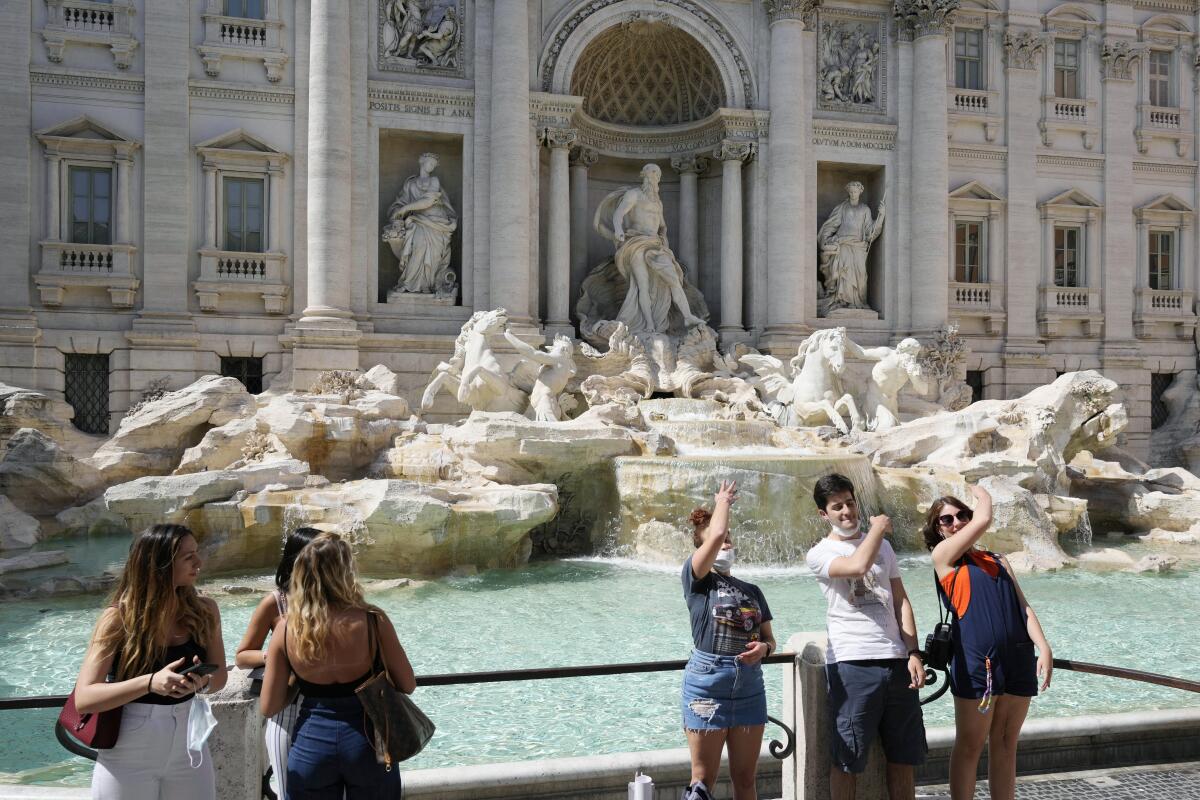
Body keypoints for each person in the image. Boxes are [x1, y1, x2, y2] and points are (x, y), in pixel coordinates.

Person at [74, 524, 227, 800]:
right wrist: (150, 682)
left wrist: (201, 680)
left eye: (196, 553)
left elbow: (220, 679)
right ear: (160, 564)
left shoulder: (205, 610)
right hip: (128, 746)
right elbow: (85, 698)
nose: (199, 562)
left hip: (190, 743)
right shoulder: (117, 619)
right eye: (188, 556)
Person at [260, 532, 417, 799]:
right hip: (367, 742)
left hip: (311, 743)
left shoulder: (286, 628)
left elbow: (269, 705)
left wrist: (298, 681)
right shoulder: (371, 620)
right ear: (345, 572)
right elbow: (408, 684)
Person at [924, 486, 1052, 800]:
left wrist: (1044, 647)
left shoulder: (998, 559)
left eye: (962, 515)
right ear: (938, 530)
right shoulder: (943, 559)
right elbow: (984, 520)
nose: (956, 522)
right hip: (977, 661)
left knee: (1007, 742)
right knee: (970, 744)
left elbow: (1023, 607)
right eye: (947, 519)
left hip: (1018, 657)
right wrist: (983, 497)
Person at [806, 474, 926, 800]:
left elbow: (900, 599)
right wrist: (877, 528)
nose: (846, 511)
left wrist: (914, 652)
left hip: (896, 660)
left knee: (904, 758)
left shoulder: (884, 547)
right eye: (837, 507)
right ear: (824, 514)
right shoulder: (820, 553)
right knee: (848, 760)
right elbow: (858, 566)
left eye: (849, 502)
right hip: (852, 663)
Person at [681, 480, 777, 800]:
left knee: (746, 779)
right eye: (716, 541)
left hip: (749, 686)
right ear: (701, 548)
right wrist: (722, 501)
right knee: (702, 782)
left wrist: (764, 649)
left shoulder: (753, 590)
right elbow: (718, 533)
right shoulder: (697, 579)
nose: (724, 544)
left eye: (728, 540)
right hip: (708, 683)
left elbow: (770, 640)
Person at [235, 527, 321, 799]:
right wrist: (278, 656)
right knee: (289, 793)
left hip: (329, 711)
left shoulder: (338, 602)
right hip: (287, 712)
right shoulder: (275, 602)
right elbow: (242, 655)